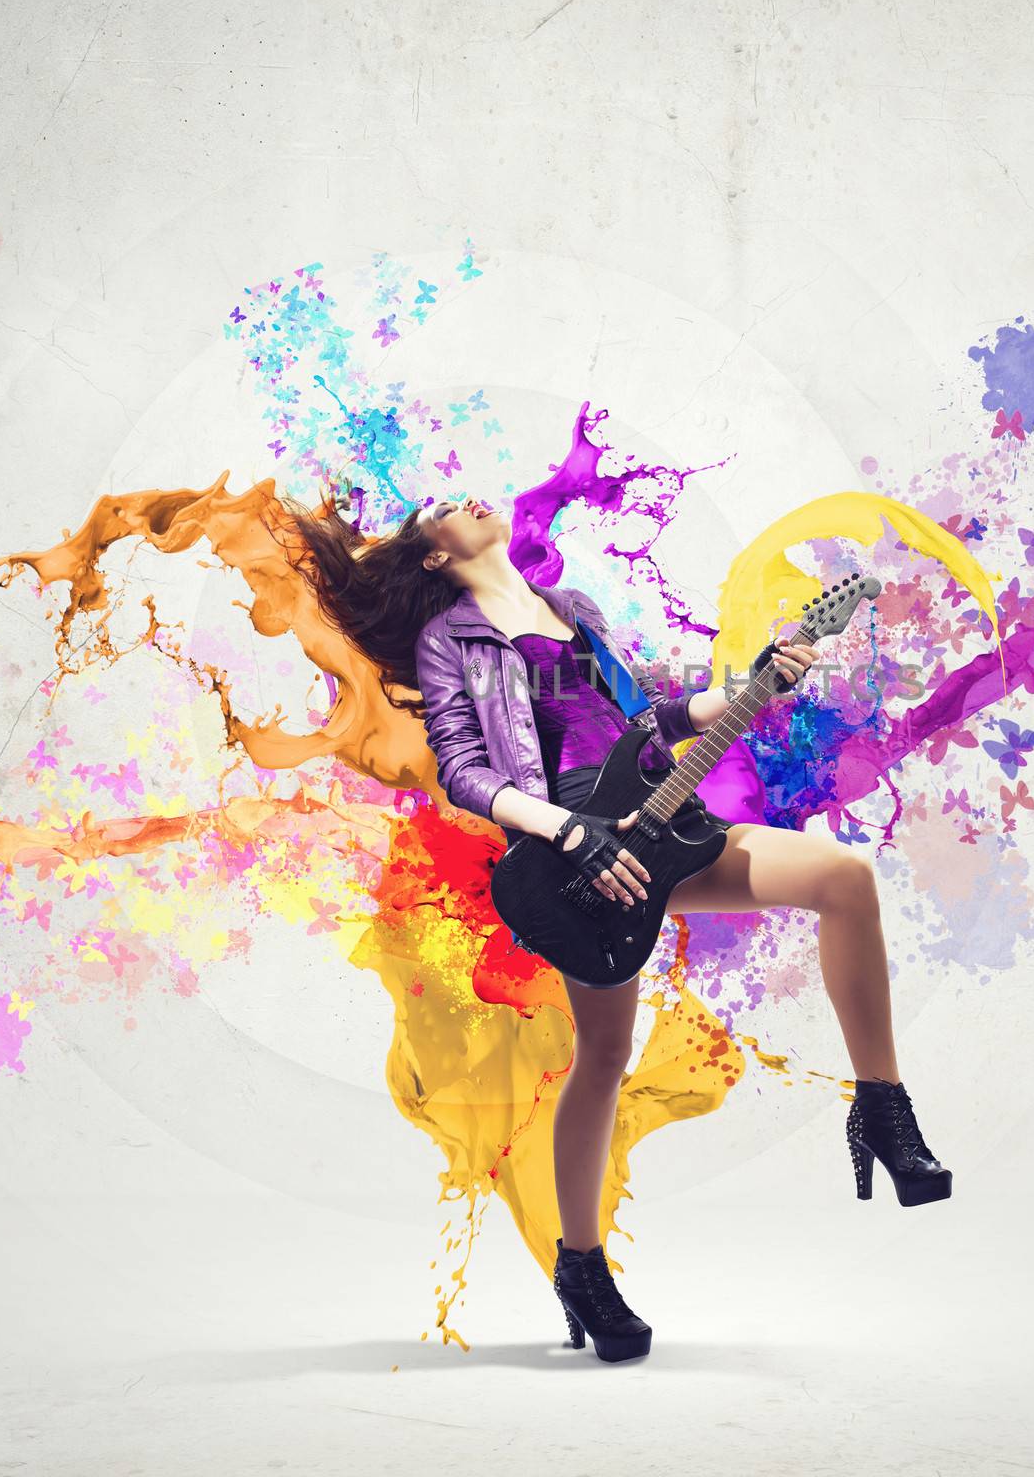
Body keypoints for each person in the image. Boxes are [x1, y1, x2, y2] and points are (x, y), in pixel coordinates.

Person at [287, 489, 951, 1365]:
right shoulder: (450, 642)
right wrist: (568, 831)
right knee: (602, 1058)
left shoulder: (578, 613)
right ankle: (582, 1268)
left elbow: (651, 723)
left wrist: (753, 686)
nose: (473, 496)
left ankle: (881, 1110)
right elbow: (464, 773)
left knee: (845, 876)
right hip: (570, 854)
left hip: (666, 823)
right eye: (445, 507)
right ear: (435, 556)